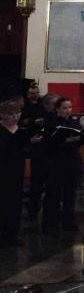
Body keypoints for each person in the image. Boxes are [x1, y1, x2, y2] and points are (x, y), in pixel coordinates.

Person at [42, 97, 84, 233]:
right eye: (65, 108)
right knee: (54, 194)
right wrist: (67, 140)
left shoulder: (74, 121)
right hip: (56, 162)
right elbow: (49, 142)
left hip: (72, 160)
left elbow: (80, 139)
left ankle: (68, 222)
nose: (68, 111)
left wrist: (80, 138)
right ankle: (50, 224)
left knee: (70, 194)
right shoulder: (52, 122)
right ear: (57, 109)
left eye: (70, 107)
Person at [0, 100, 30, 247]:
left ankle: (13, 234)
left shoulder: (22, 131)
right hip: (3, 170)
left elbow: (26, 150)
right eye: (11, 114)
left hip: (17, 170)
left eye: (17, 113)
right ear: (2, 115)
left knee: (15, 203)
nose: (15, 117)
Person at [27, 92, 59, 220]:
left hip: (53, 155)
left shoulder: (55, 116)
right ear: (46, 104)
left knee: (52, 186)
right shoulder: (37, 116)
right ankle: (33, 212)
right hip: (39, 155)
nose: (57, 107)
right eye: (54, 104)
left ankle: (49, 213)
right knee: (36, 185)